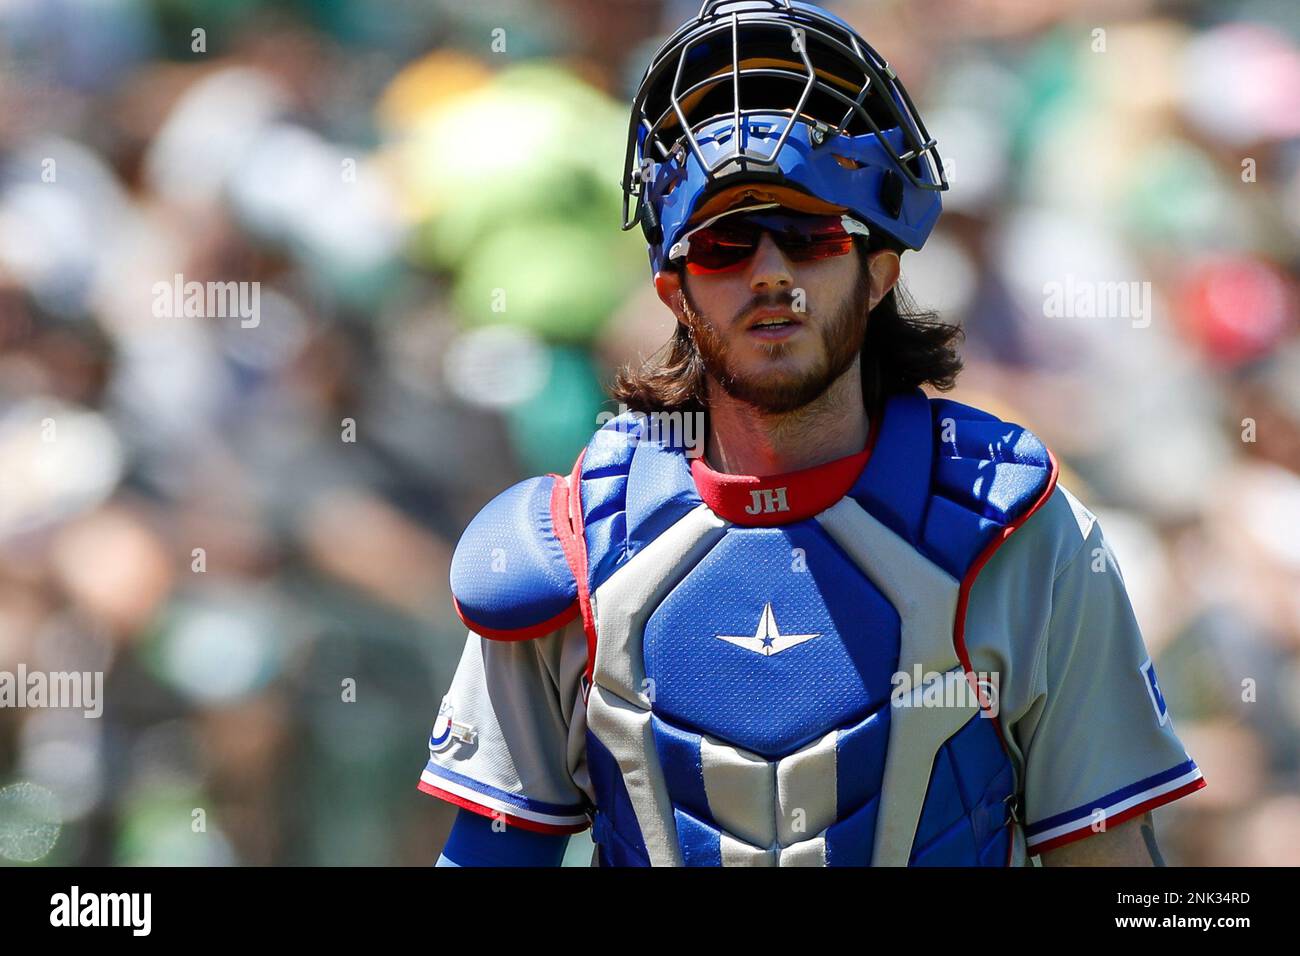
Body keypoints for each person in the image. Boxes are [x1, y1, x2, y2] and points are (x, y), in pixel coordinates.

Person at [419, 0, 1204, 867]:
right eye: (723, 245)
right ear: (673, 292)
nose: (770, 273)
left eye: (811, 234)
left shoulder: (1019, 532)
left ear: (879, 271)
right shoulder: (569, 545)